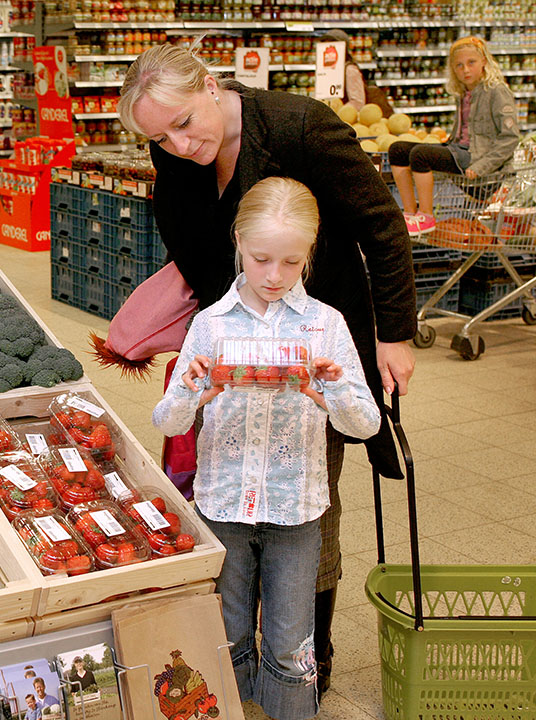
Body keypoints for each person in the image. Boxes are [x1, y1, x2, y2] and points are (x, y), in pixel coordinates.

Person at [117, 42, 417, 699]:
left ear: (211, 84)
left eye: (184, 123)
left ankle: (310, 662)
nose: (177, 144)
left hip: (314, 346)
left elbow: (382, 225)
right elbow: (191, 248)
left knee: (309, 507)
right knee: (236, 501)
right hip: (234, 358)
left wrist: (394, 334)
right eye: (158, 137)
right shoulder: (174, 152)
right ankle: (244, 654)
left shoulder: (297, 127)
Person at [154, 177, 382, 719]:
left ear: (309, 254)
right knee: (227, 630)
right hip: (223, 502)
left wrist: (332, 390)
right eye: (261, 259)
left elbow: (366, 424)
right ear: (238, 242)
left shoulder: (326, 326)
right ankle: (231, 707)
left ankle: (287, 709)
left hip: (295, 509)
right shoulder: (210, 324)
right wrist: (193, 388)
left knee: (289, 637)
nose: (275, 276)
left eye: (291, 262)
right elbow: (168, 420)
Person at [390, 35, 521, 236]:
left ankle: (426, 216)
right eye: (459, 65)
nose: (465, 70)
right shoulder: (463, 92)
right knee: (397, 150)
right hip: (460, 150)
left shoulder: (497, 91)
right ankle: (410, 213)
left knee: (420, 154)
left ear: (484, 61)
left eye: (471, 63)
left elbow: (510, 138)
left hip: (477, 157)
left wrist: (481, 166)